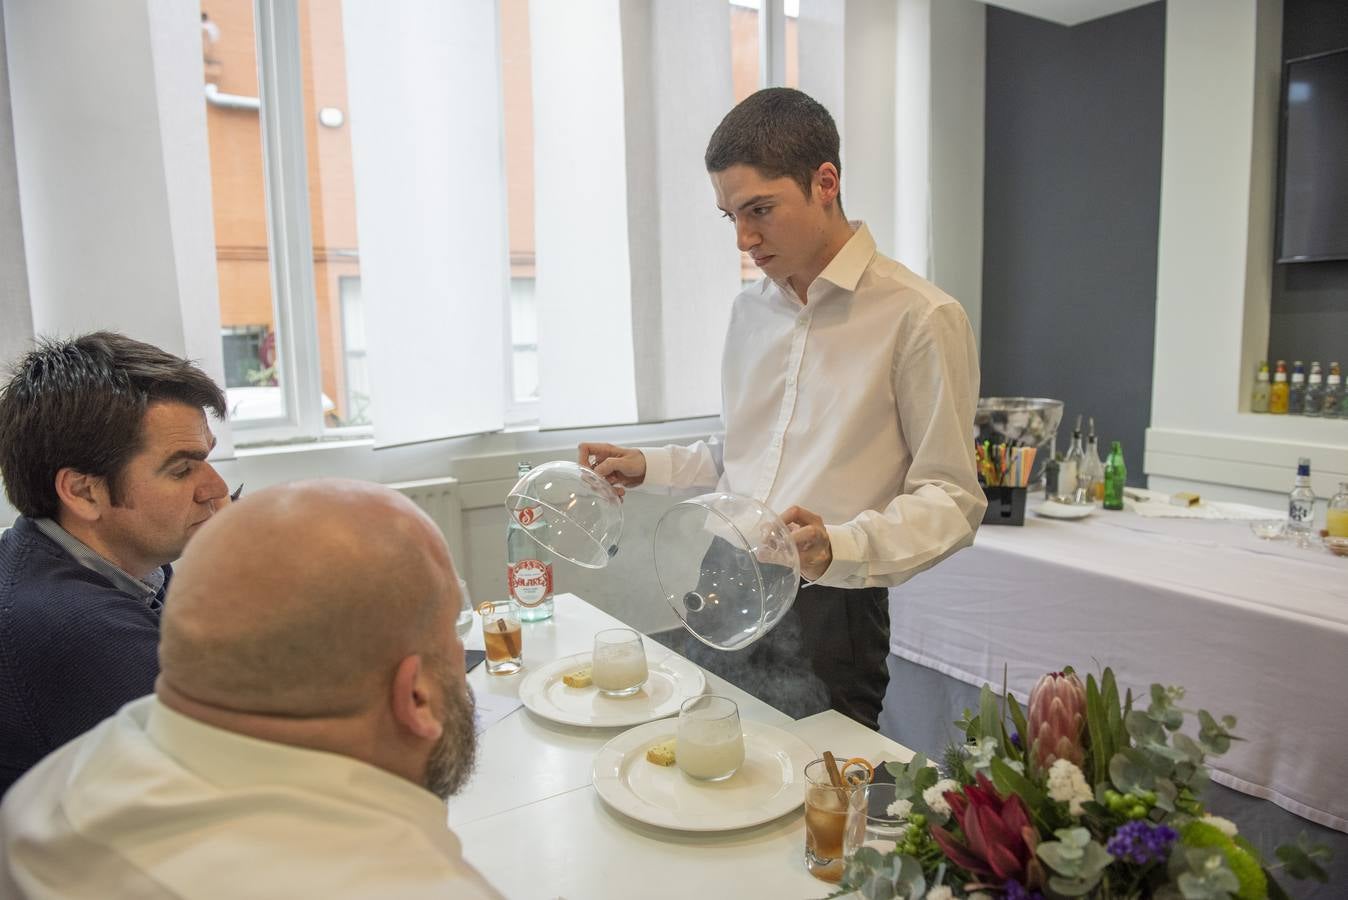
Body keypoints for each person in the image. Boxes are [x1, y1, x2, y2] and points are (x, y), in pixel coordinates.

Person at [579, 88, 984, 730]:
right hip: (722, 570)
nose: (744, 238)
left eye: (759, 209)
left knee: (825, 799)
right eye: (730, 216)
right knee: (704, 755)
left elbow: (954, 499)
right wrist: (649, 465)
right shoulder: (750, 312)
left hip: (831, 602)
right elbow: (744, 459)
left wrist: (838, 546)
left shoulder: (921, 316)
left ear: (826, 182)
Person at [0, 479, 502, 899]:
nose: (213, 483)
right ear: (417, 698)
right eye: (450, 651)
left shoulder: (42, 795)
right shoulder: (410, 885)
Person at [0, 332, 231, 794]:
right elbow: (219, 778)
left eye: (207, 460)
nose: (216, 488)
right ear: (84, 492)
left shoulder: (125, 566)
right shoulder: (71, 625)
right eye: (182, 469)